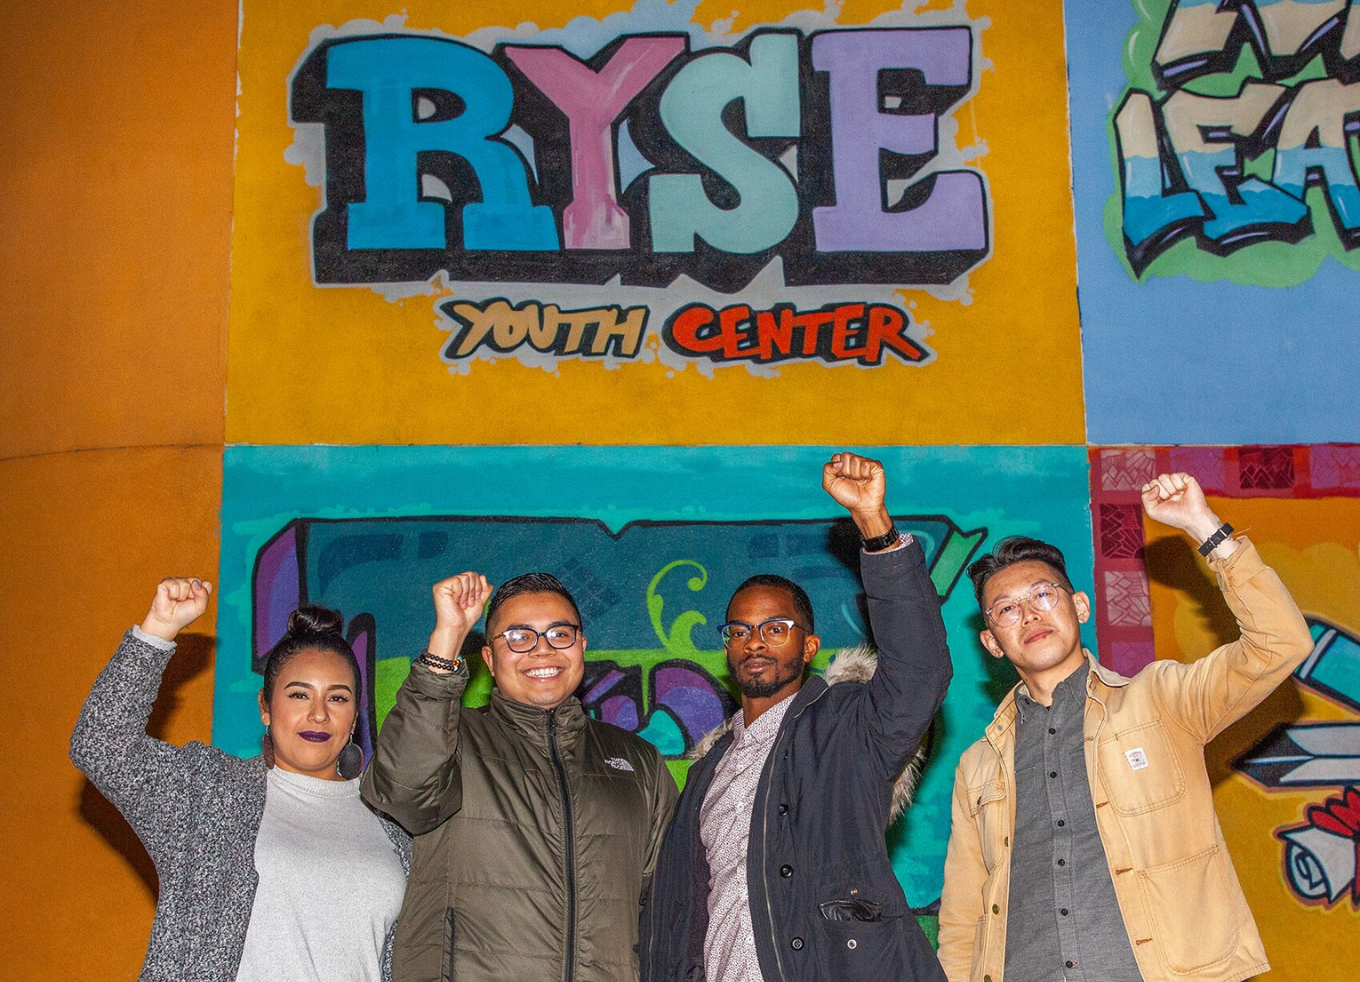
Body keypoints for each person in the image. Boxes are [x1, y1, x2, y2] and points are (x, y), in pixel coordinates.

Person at [937, 472, 1314, 982]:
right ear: (992, 643)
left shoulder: (1162, 700)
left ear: (1080, 606)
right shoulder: (979, 765)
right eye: (1006, 609)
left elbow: (1280, 645)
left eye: (1044, 595)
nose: (1028, 614)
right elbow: (963, 916)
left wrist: (1203, 526)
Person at [640, 452, 954, 982]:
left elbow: (921, 670)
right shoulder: (706, 771)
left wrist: (874, 528)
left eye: (774, 627)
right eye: (739, 631)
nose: (754, 641)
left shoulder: (851, 728)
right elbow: (676, 918)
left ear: (809, 646)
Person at [71, 577, 411, 982]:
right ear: (265, 708)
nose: (319, 714)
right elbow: (101, 743)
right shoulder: (209, 796)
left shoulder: (392, 821)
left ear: (355, 716)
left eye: (337, 698)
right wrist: (158, 630)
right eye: (299, 695)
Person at [361, 570, 679, 982]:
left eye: (559, 635)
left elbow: (671, 904)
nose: (541, 651)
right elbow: (403, 789)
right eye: (519, 637)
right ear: (490, 660)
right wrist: (448, 637)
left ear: (582, 647)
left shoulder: (638, 762)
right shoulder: (452, 736)